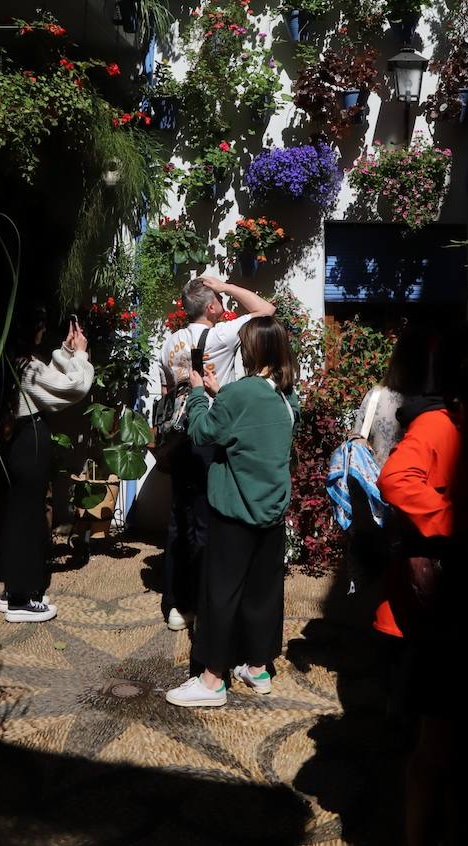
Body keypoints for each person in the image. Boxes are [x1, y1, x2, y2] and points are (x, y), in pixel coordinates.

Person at [166, 316, 299, 709]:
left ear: (251, 350)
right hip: (271, 514)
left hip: (235, 513)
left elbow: (202, 432)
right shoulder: (286, 396)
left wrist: (196, 393)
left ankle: (211, 680)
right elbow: (253, 429)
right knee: (263, 592)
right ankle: (258, 668)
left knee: (220, 594)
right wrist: (220, 393)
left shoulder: (238, 395)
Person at [371, 322, 463, 846]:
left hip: (436, 596)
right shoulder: (438, 425)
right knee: (431, 741)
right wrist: (457, 517)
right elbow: (395, 478)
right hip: (432, 599)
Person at [156, 273, 275, 632]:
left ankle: (176, 604)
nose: (223, 305)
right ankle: (206, 604)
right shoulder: (220, 334)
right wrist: (225, 287)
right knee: (208, 520)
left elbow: (166, 390)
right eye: (219, 300)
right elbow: (265, 310)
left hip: (177, 439)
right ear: (210, 306)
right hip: (207, 433)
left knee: (179, 519)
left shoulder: (169, 343)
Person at [0, 306, 94, 622]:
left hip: (20, 442)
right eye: (39, 326)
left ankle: (14, 590)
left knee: (19, 514)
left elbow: (47, 381)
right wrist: (80, 354)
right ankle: (21, 601)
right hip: (31, 440)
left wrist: (66, 351)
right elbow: (72, 387)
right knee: (28, 517)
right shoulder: (27, 367)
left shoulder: (13, 361)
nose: (42, 331)